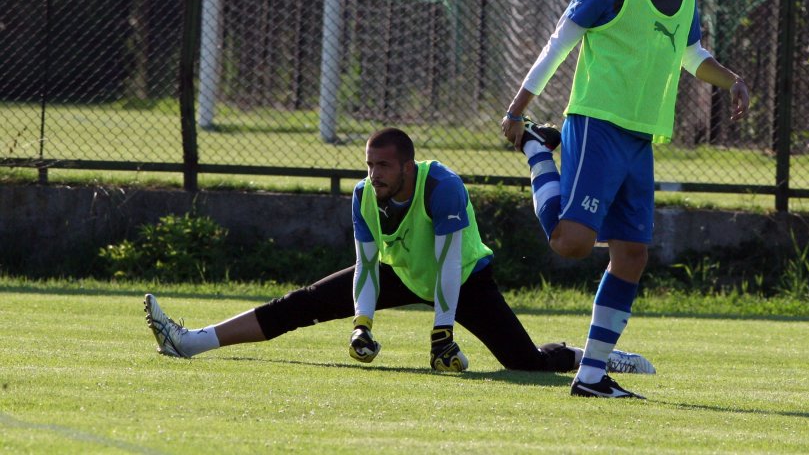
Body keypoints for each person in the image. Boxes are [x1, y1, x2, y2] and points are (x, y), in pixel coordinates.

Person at [145, 127, 655, 375]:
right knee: (300, 304)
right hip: (402, 273)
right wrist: (361, 324)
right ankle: (190, 342)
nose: (375, 175)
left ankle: (601, 358)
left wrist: (443, 333)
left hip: (464, 279)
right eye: (370, 165)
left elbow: (451, 265)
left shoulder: (443, 187)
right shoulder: (364, 195)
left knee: (523, 362)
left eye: (384, 166)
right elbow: (367, 265)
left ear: (407, 165)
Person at [501, 0, 750, 398]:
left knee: (632, 255)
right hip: (597, 124)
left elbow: (690, 53)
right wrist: (517, 109)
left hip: (641, 138)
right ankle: (536, 151)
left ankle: (591, 376)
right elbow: (559, 44)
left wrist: (730, 79)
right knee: (570, 244)